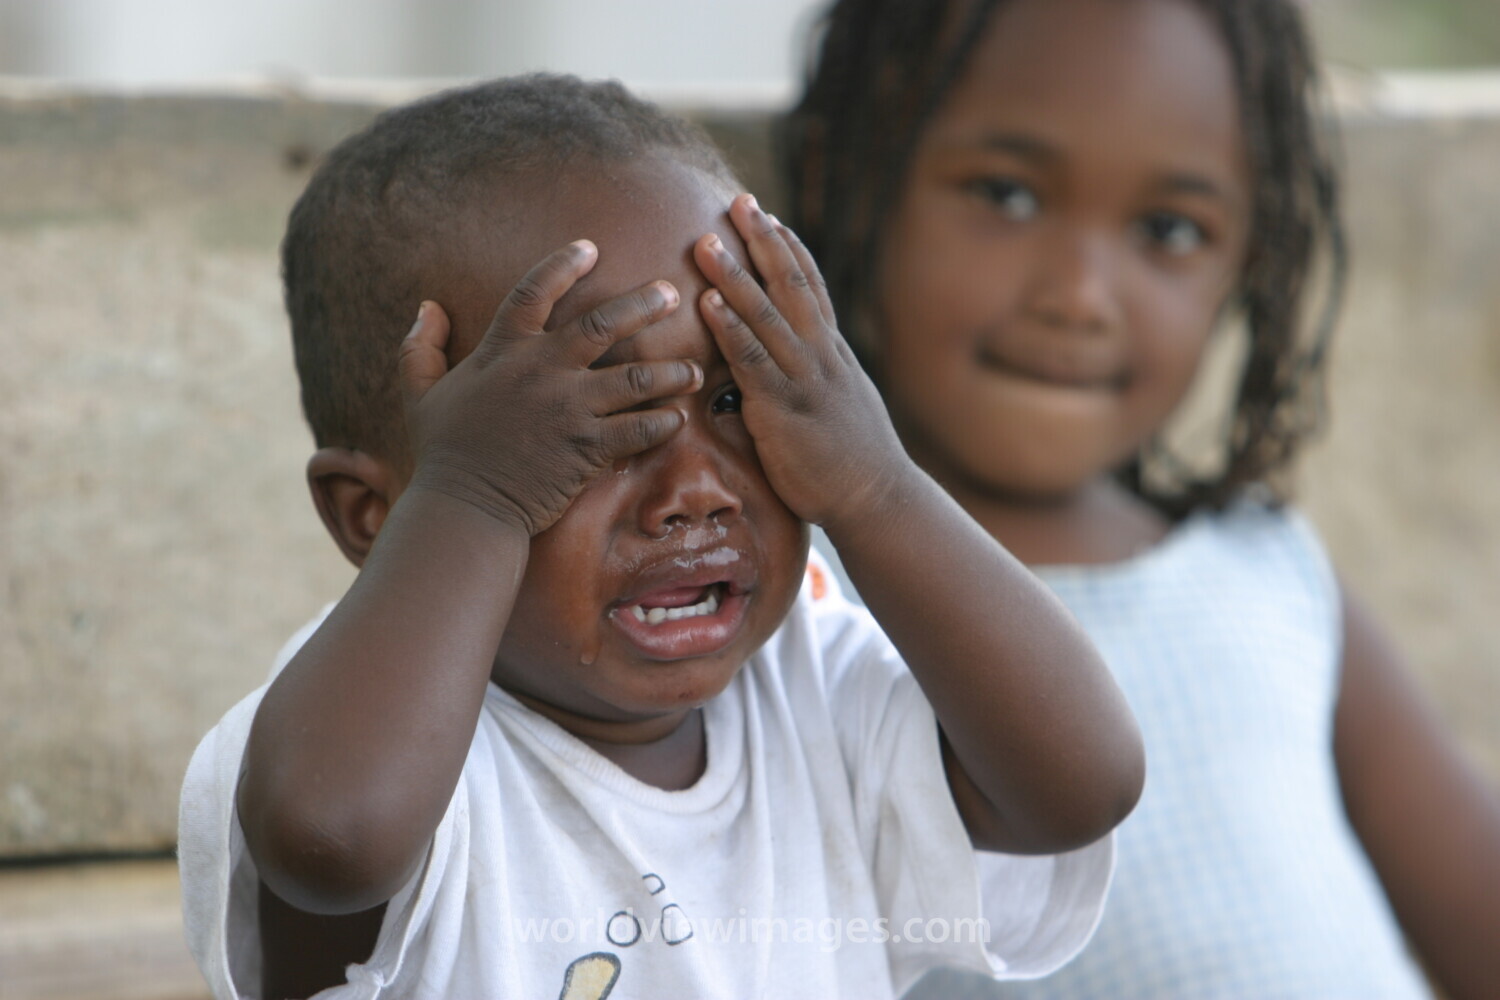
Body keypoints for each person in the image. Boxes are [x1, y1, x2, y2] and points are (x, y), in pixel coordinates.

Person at [177, 75, 1144, 1000]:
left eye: (734, 399)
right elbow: (330, 842)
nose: (694, 490)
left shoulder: (812, 684)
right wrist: (474, 495)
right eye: (585, 435)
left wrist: (876, 487)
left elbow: (1082, 785)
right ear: (376, 517)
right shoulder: (368, 738)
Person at [781, 0, 1500, 997]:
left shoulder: (1263, 574)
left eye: (1168, 228)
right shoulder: (790, 594)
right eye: (1007, 194)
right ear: (842, 177)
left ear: (1246, 257)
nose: (1078, 293)